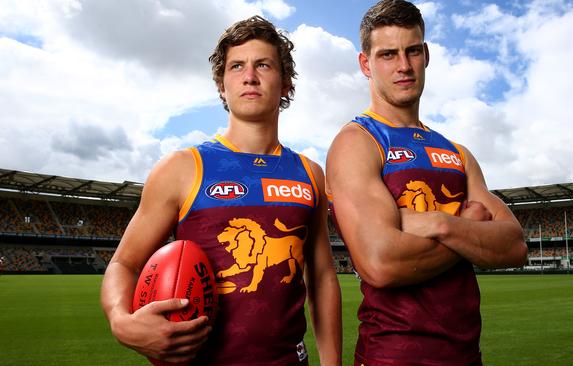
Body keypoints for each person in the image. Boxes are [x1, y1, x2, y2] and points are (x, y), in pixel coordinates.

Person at [101, 15, 341, 366]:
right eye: (237, 66)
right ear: (221, 85)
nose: (249, 76)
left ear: (286, 83)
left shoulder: (309, 173)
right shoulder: (182, 168)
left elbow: (321, 277)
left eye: (263, 65)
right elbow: (124, 263)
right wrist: (120, 321)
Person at [326, 1, 527, 365]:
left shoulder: (457, 153)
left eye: (412, 51)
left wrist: (440, 223)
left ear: (426, 55)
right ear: (365, 64)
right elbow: (381, 262)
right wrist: (470, 232)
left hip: (466, 356)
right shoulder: (356, 142)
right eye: (388, 54)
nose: (403, 66)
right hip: (392, 356)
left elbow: (514, 245)